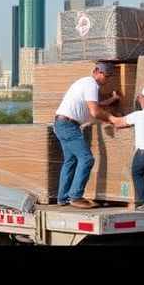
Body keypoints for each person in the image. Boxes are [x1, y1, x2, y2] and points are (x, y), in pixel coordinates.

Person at [54, 62, 120, 209]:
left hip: (62, 123)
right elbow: (95, 111)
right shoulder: (91, 84)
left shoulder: (84, 83)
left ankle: (63, 198)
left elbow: (94, 104)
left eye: (109, 77)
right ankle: (76, 196)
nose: (107, 80)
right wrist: (113, 119)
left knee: (70, 161)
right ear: (97, 71)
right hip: (68, 126)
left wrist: (111, 100)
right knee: (87, 158)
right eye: (106, 76)